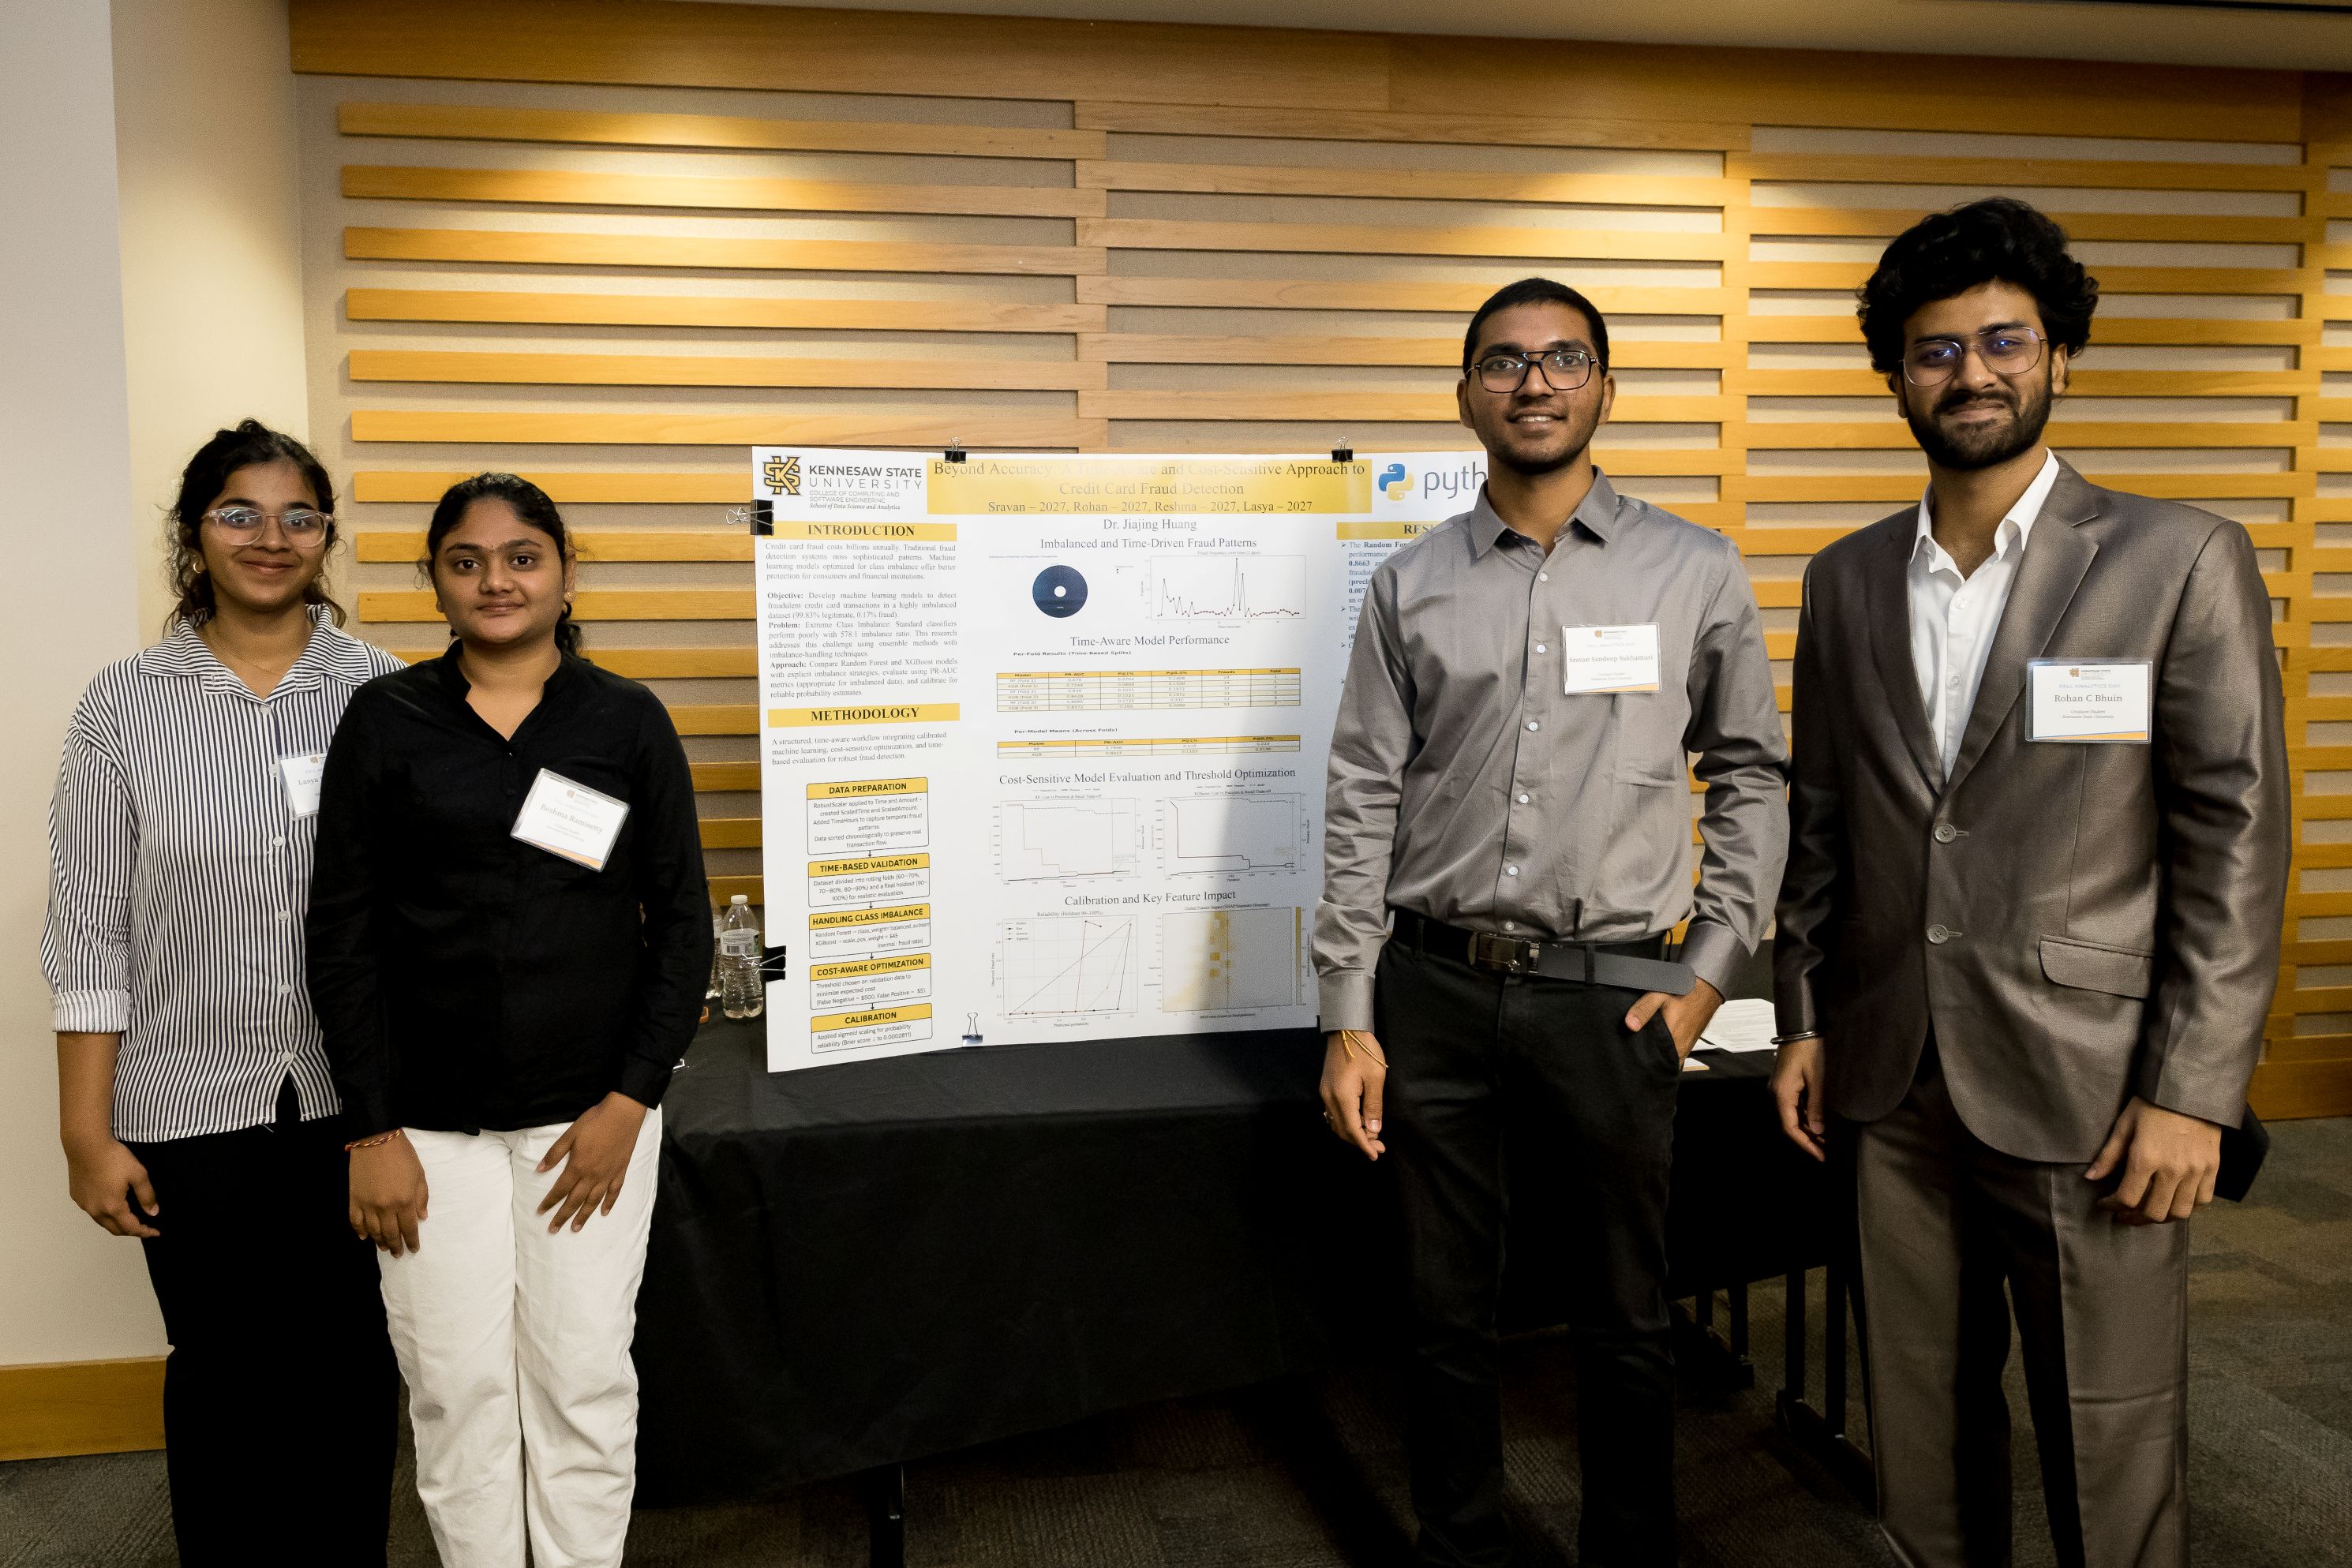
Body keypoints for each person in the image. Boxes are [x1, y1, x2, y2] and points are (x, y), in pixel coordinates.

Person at [1770, 198, 2289, 1568]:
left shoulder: (2178, 559)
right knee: (1922, 1436)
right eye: (1936, 351)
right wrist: (1808, 1016)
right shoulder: (1844, 581)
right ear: (1896, 376)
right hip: (1892, 1081)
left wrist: (2195, 1090)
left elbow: (2234, 837)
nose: (1973, 374)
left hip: (2097, 1085)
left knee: (2108, 1438)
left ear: (2061, 355)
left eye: (2005, 342)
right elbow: (1819, 822)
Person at [1316, 277, 1789, 1566]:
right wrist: (1348, 1017)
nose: (1535, 381)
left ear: (1604, 388)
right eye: (1506, 361)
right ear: (1467, 391)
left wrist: (1708, 970)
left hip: (1613, 991)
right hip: (1433, 988)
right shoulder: (1408, 585)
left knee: (1626, 1312)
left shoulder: (1692, 569)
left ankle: (1628, 1550)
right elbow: (1361, 792)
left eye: (1564, 358)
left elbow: (1752, 774)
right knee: (1440, 1305)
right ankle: (1461, 1541)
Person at [305, 473, 713, 1568]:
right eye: (467, 560)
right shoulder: (385, 719)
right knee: (456, 1390)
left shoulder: (624, 720)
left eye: (523, 556)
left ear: (565, 574)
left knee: (582, 1378)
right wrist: (370, 1131)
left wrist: (632, 1102)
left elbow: (681, 929)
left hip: (590, 1119)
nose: (497, 579)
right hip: (424, 1130)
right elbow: (340, 935)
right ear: (435, 582)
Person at [43, 420, 402, 1566]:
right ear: (194, 534)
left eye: (299, 515)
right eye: (237, 512)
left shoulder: (387, 695)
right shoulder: (122, 706)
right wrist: (83, 1132)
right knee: (222, 1373)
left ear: (327, 535)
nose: (270, 537)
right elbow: (88, 924)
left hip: (360, 1102)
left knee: (354, 1369)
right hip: (186, 1099)